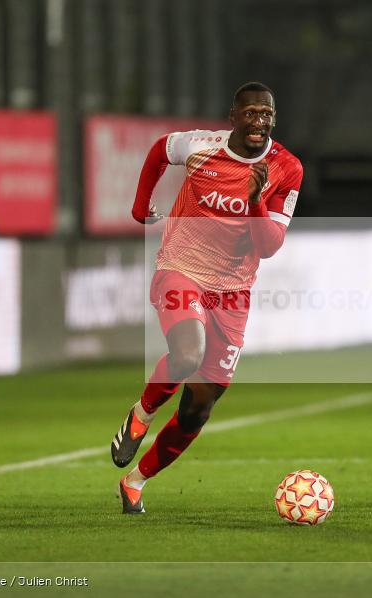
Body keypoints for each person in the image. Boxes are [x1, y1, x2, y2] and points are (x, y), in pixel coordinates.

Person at [110, 82, 303, 513]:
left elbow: (270, 245)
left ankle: (135, 481)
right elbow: (161, 149)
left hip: (233, 293)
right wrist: (142, 205)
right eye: (251, 113)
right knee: (186, 354)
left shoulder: (287, 168)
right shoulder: (201, 146)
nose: (260, 122)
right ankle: (140, 416)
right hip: (181, 268)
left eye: (267, 114)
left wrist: (254, 202)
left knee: (199, 408)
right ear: (232, 117)